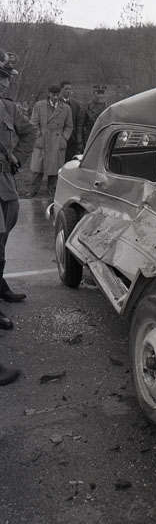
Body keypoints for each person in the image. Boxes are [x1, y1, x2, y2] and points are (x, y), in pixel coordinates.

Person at [0, 48, 37, 384]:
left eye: (5, 77)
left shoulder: (9, 108)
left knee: (2, 243)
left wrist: (18, 160)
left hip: (5, 184)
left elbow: (29, 133)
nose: (3, 82)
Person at [28, 84, 73, 197]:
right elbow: (33, 123)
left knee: (55, 168)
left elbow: (69, 126)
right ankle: (33, 191)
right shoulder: (39, 105)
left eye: (57, 95)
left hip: (57, 141)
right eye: (53, 95)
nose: (55, 97)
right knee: (37, 168)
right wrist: (38, 135)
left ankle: (52, 192)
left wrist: (64, 138)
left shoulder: (66, 108)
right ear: (49, 94)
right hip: (43, 139)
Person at [77, 83, 107, 150]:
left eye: (102, 93)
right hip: (89, 140)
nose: (100, 96)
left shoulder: (108, 108)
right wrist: (80, 142)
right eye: (98, 93)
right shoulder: (86, 107)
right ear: (93, 94)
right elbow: (80, 126)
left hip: (104, 140)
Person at [59, 80, 83, 161]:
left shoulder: (75, 104)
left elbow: (78, 122)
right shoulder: (57, 102)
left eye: (70, 89)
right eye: (66, 89)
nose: (68, 91)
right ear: (61, 90)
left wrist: (78, 139)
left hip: (72, 138)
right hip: (60, 137)